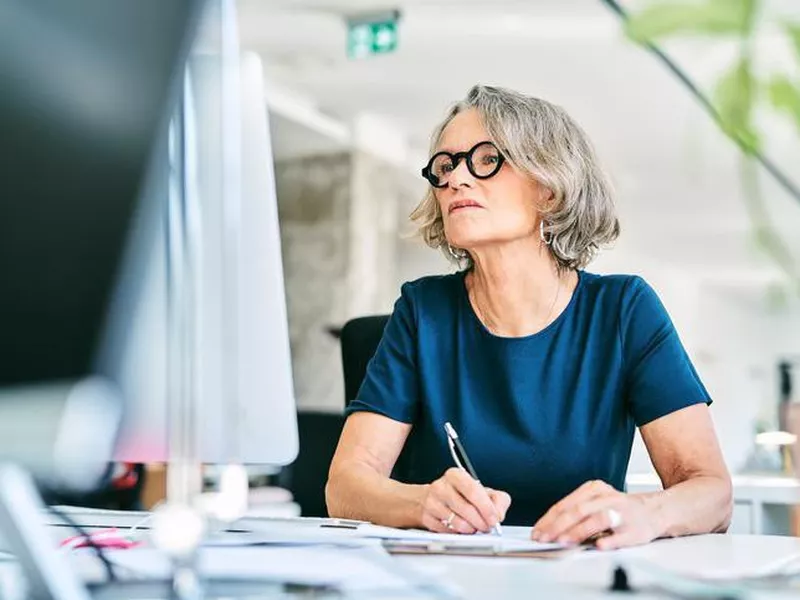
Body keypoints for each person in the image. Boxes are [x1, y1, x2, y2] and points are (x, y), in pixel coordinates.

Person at [326, 85, 732, 550]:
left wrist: (645, 512)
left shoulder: (624, 310)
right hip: (444, 574)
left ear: (550, 186)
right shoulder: (423, 311)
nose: (457, 179)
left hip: (577, 577)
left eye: (485, 159)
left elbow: (712, 493)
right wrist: (421, 503)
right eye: (445, 165)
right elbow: (345, 486)